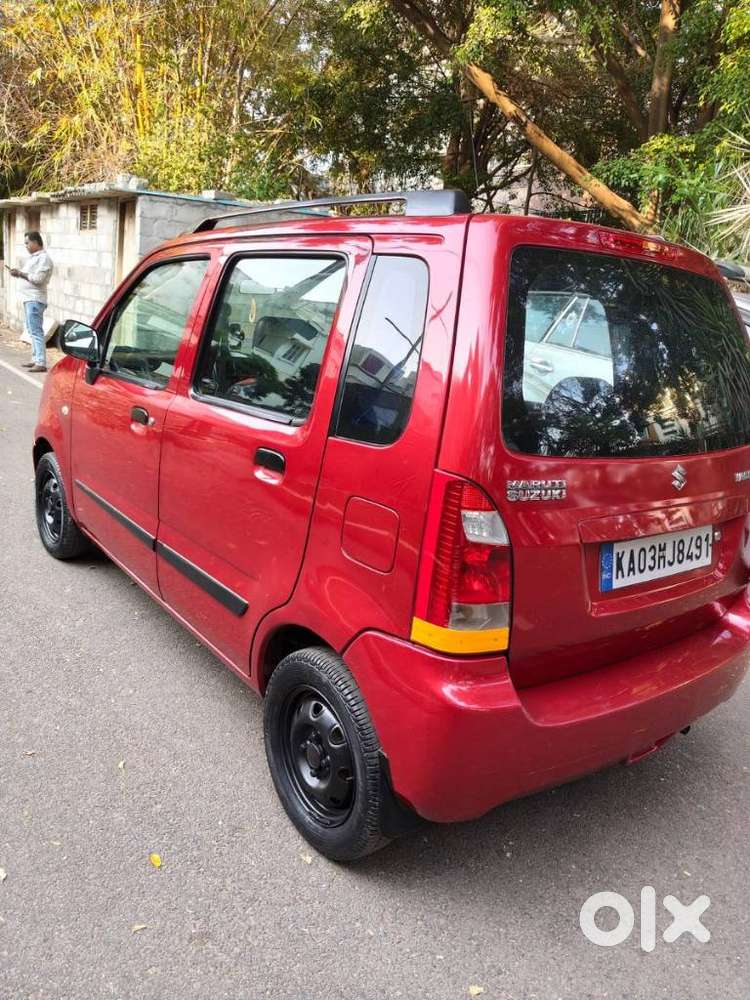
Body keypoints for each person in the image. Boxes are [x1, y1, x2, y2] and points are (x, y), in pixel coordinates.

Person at [9, 231, 54, 372]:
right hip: (29, 298)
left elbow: (38, 279)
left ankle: (40, 362)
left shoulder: (44, 259)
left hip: (35, 299)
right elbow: (29, 276)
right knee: (31, 330)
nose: (26, 246)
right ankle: (35, 359)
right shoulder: (34, 258)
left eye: (27, 243)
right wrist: (18, 273)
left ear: (35, 242)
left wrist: (21, 273)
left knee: (36, 330)